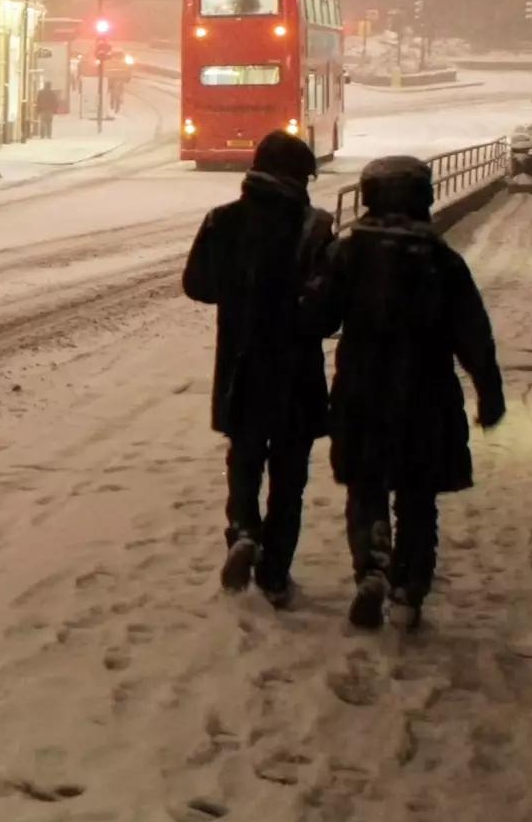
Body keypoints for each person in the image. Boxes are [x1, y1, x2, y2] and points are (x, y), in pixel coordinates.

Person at [304, 155, 504, 630]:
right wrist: (488, 391)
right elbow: (472, 331)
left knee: (367, 484)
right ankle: (409, 589)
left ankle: (372, 565)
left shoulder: (347, 253)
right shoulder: (441, 260)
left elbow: (317, 318)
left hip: (361, 388)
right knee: (417, 494)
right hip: (426, 393)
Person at [183, 130, 332, 606]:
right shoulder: (315, 227)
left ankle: (243, 530)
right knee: (290, 477)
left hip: (240, 368)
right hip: (296, 373)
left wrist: (238, 290)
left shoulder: (221, 220)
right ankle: (274, 573)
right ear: (296, 177)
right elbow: (328, 311)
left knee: (244, 459)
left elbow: (197, 285)